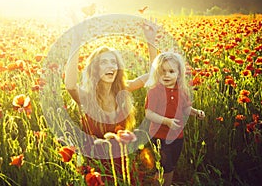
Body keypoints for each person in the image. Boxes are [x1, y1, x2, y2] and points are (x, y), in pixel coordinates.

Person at [64, 20, 157, 184]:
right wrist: (76, 42)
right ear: (95, 69)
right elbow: (70, 85)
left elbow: (153, 75)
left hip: (122, 163)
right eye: (104, 62)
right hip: (96, 167)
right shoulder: (87, 97)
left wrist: (151, 40)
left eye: (113, 62)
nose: (111, 66)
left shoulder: (123, 90)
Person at [144, 51, 205, 186]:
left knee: (171, 166)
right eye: (163, 71)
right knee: (164, 166)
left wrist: (196, 112)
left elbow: (185, 108)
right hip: (160, 136)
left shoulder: (182, 91)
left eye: (171, 71)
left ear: (178, 73)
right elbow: (148, 113)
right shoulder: (154, 91)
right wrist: (166, 121)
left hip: (177, 136)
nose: (166, 75)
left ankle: (167, 183)